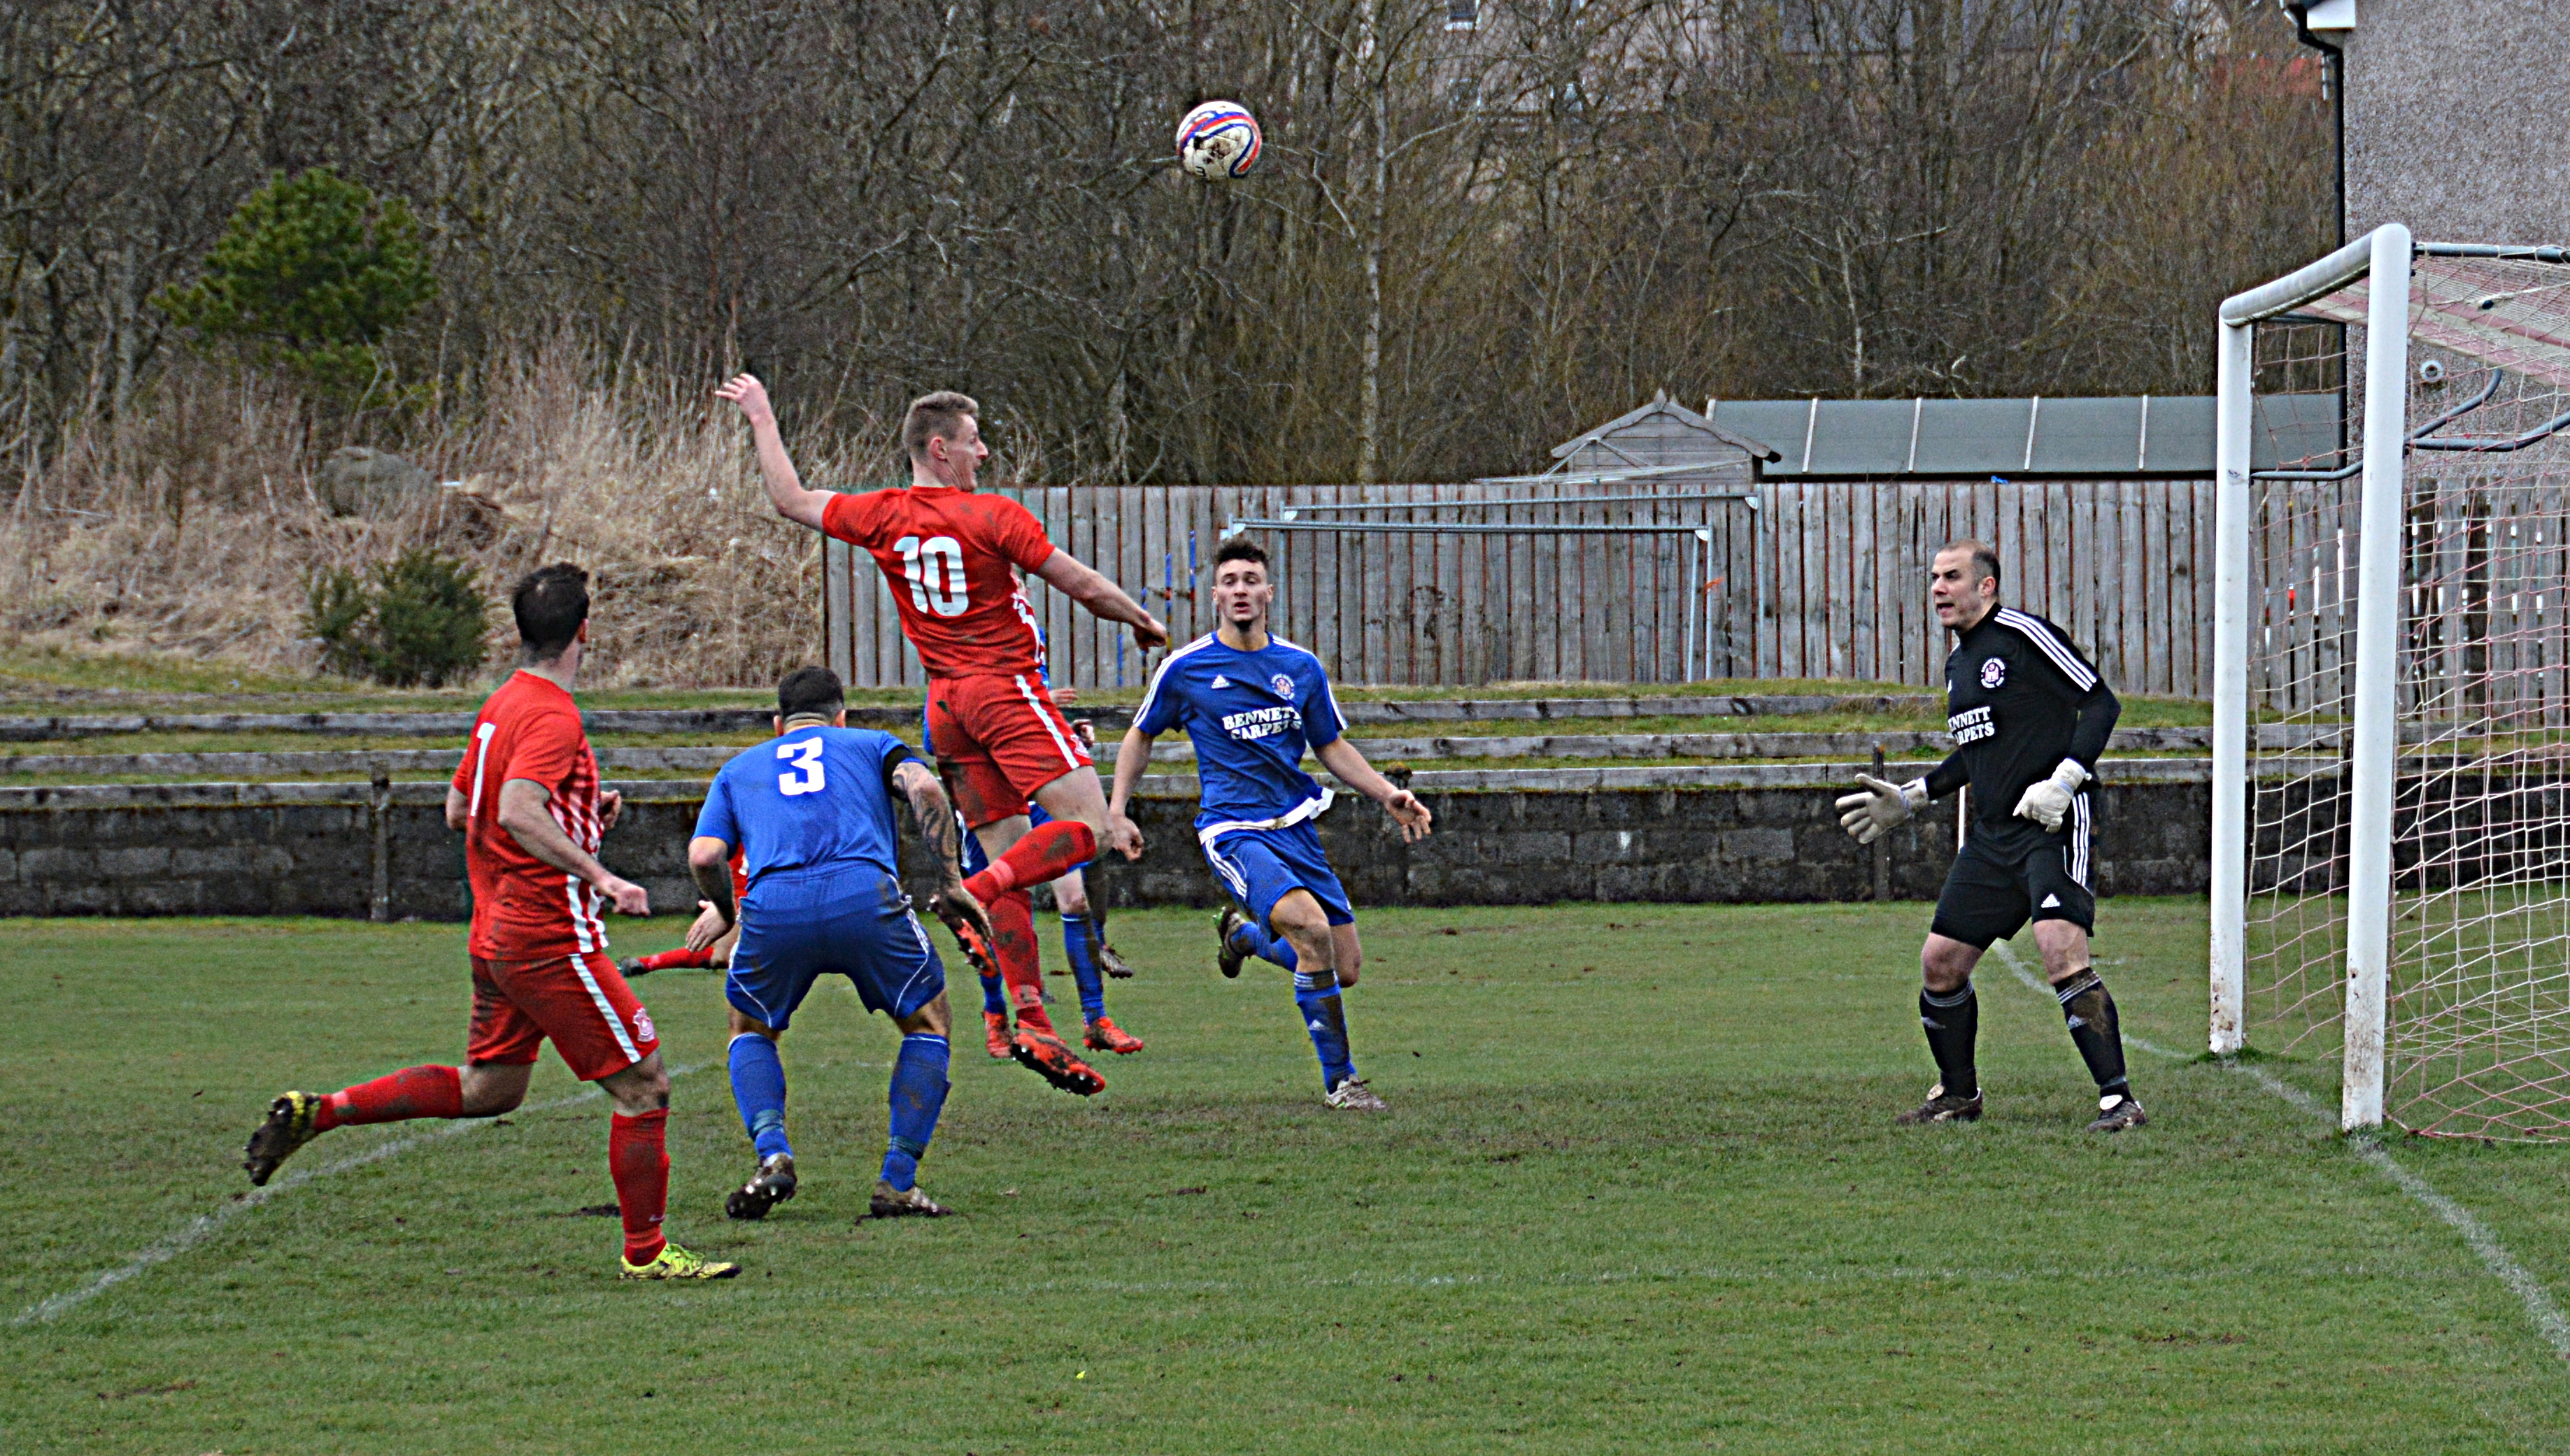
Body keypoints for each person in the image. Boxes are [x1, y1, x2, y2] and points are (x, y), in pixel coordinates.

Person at [241, 564, 739, 1280]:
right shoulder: (553, 715)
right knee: (645, 1087)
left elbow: (460, 809)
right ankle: (647, 1253)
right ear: (584, 631)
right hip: (547, 937)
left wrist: (580, 819)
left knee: (490, 1089)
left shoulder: (501, 705)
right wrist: (599, 874)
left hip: (496, 933)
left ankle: (320, 1112)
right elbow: (515, 809)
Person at [716, 374, 1167, 1097]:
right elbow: (1079, 584)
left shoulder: (881, 515)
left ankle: (1032, 1020)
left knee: (1013, 852)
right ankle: (972, 894)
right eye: (972, 442)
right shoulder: (991, 515)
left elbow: (790, 499)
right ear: (939, 448)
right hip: (1004, 688)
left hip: (945, 704)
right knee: (1092, 829)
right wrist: (1138, 618)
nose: (982, 453)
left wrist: (763, 416)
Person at [1103, 535, 1432, 1111]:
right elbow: (1141, 734)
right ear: (1215, 596)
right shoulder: (1186, 668)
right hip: (1233, 830)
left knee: (1345, 967)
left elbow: (1330, 745)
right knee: (1311, 930)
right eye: (1230, 582)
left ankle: (1244, 938)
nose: (1241, 591)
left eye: (1250, 581)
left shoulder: (1299, 667)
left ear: (1268, 593)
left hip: (1296, 826)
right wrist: (1116, 809)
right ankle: (1342, 1083)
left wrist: (1387, 793)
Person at [1834, 538, 2143, 1134]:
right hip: (1992, 838)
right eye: (1934, 578)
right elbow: (1977, 753)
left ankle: (2119, 1100)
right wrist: (1912, 797)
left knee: (2059, 947)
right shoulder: (1960, 664)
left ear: (1987, 586)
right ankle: (1958, 1095)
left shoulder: (2023, 635)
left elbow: (2102, 703)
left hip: (2052, 824)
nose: (1938, 588)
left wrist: (2064, 780)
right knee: (1940, 963)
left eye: (1952, 577)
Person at [691, 666, 991, 1220]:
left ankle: (772, 1152)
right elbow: (926, 788)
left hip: (774, 906)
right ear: (841, 718)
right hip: (863, 896)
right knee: (928, 1023)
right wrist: (951, 882)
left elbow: (704, 856)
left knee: (750, 1028)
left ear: (779, 724)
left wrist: (728, 913)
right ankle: (897, 1181)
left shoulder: (736, 770)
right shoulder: (872, 744)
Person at [925, 670, 1144, 1062]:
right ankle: (997, 1015)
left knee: (1075, 900)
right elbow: (935, 737)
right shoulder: (962, 666)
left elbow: (1035, 731)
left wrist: (1067, 734)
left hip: (1038, 797)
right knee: (996, 907)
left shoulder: (1027, 659)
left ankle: (1096, 1019)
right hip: (991, 801)